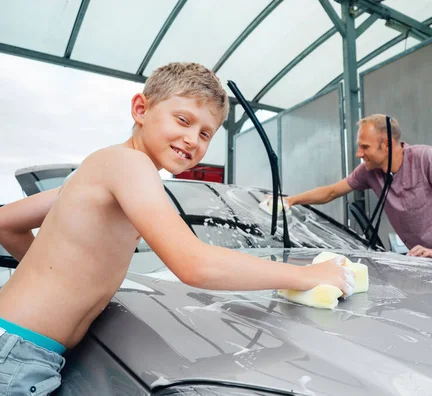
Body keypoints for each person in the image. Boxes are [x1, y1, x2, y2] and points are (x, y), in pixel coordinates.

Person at [0, 62, 354, 394]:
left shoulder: (93, 172)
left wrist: (62, 276)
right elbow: (193, 264)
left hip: (16, 342)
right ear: (141, 110)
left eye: (205, 134)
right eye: (183, 120)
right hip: (19, 354)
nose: (192, 139)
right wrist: (307, 276)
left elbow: (6, 224)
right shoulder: (129, 164)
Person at [285, 114, 432, 264]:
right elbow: (331, 192)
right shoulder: (369, 172)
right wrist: (290, 200)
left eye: (365, 147)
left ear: (386, 145)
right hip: (428, 264)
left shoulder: (424, 158)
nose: (358, 153)